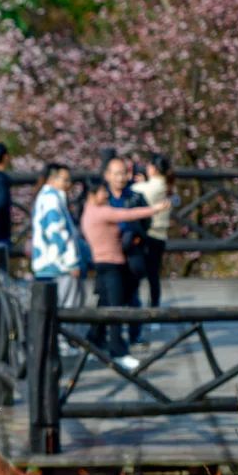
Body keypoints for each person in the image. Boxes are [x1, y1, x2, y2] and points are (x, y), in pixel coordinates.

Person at [81, 180, 170, 371]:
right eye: (103, 191)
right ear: (92, 194)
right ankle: (118, 352)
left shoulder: (88, 211)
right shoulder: (101, 212)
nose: (106, 195)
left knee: (104, 306)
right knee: (115, 310)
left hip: (102, 265)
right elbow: (127, 214)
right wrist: (155, 209)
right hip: (111, 266)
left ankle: (93, 341)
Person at [103, 156, 150, 347]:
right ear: (107, 176)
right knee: (109, 297)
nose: (120, 178)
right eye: (116, 174)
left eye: (123, 173)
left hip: (131, 252)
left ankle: (134, 334)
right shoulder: (101, 197)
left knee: (132, 296)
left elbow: (147, 221)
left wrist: (137, 236)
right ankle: (108, 336)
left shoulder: (135, 196)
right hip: (108, 252)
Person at [31, 162, 82, 308]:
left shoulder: (44, 197)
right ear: (52, 179)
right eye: (64, 180)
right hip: (59, 266)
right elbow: (56, 232)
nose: (68, 184)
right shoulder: (52, 199)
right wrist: (71, 262)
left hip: (46, 264)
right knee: (66, 311)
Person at [131, 153, 174, 314]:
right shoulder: (161, 184)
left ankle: (152, 308)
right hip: (159, 236)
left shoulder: (155, 186)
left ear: (155, 169)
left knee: (148, 274)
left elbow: (134, 190)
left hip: (151, 235)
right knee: (153, 275)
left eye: (149, 166)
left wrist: (136, 182)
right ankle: (153, 305)